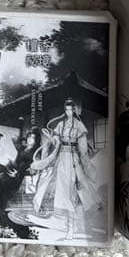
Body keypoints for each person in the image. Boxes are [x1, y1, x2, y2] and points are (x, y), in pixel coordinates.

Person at [30, 99, 97, 239]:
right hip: (62, 159)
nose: (68, 112)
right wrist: (51, 138)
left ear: (74, 110)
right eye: (66, 109)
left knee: (75, 191)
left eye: (71, 109)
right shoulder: (60, 124)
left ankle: (75, 225)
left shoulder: (79, 125)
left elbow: (83, 148)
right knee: (63, 191)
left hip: (74, 159)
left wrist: (84, 160)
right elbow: (56, 141)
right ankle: (70, 227)